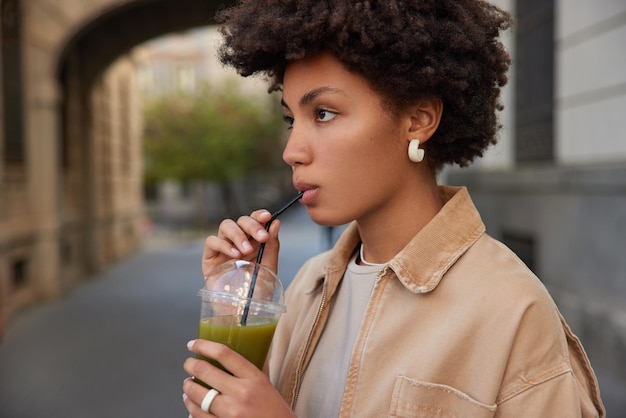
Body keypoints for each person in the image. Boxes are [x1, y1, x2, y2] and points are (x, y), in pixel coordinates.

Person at [182, 1, 606, 417]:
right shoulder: (306, 288)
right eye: (292, 119)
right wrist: (239, 309)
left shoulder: (512, 311)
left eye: (324, 113)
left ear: (419, 119)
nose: (292, 151)